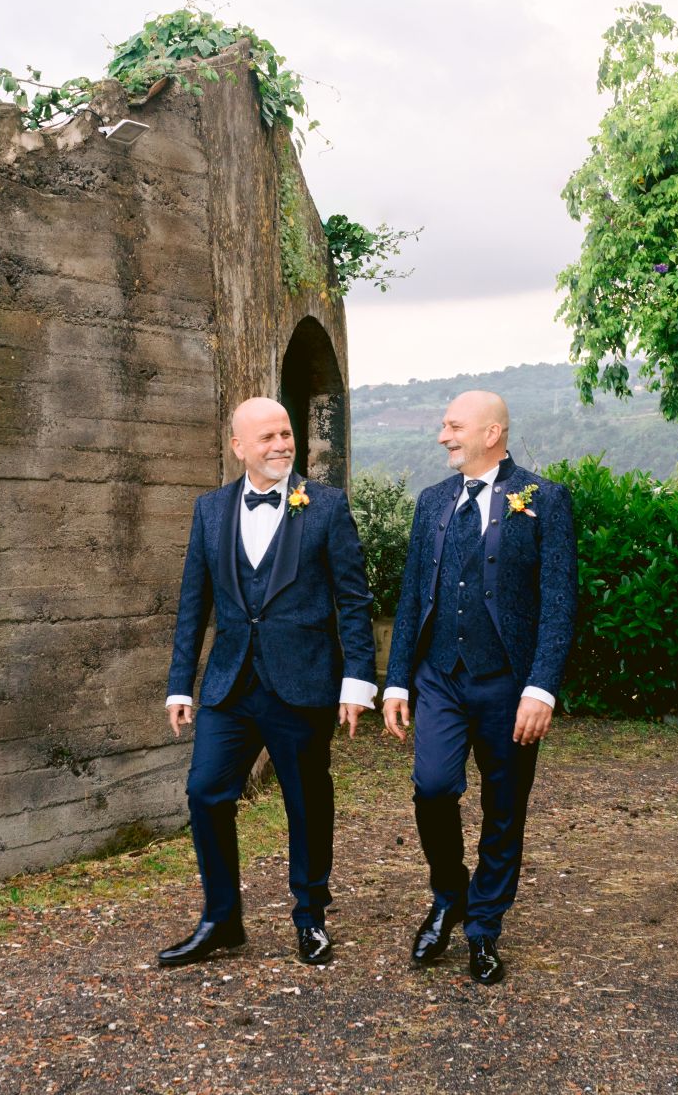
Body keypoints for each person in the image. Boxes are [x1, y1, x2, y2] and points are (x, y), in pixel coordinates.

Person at [159, 397, 377, 967]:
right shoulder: (209, 510)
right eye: (268, 438)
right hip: (230, 687)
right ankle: (222, 919)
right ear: (239, 448)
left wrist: (358, 680)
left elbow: (353, 601)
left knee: (305, 802)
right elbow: (192, 604)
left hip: (302, 683)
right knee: (206, 792)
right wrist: (180, 684)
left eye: (287, 433)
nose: (282, 444)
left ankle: (310, 918)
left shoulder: (326, 506)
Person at [382, 390, 577, 984]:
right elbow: (413, 596)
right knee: (434, 788)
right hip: (439, 677)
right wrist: (396, 683)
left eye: (453, 426)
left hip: (509, 684)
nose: (443, 436)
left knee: (504, 807)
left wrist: (541, 688)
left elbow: (559, 602)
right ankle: (448, 894)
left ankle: (484, 925)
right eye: (444, 426)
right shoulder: (432, 502)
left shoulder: (545, 500)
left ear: (492, 433)